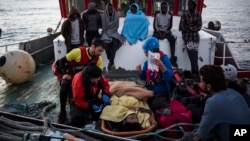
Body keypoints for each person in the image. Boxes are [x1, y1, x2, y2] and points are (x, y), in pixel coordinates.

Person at [52, 38, 106, 124]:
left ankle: (88, 108)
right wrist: (64, 75)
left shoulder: (98, 59)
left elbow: (98, 75)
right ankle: (62, 113)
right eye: (99, 50)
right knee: (64, 86)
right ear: (92, 47)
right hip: (71, 78)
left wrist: (104, 93)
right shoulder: (77, 52)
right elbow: (62, 61)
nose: (100, 54)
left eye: (101, 51)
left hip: (84, 80)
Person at [194, 65, 250, 141]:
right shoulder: (234, 93)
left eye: (201, 81)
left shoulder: (212, 103)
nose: (200, 84)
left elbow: (202, 134)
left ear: (209, 86)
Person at [135, 37, 173, 112]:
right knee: (138, 104)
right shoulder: (147, 62)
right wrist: (140, 72)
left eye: (146, 52)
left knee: (156, 105)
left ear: (151, 51)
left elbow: (169, 77)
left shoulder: (164, 59)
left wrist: (161, 65)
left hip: (160, 93)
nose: (145, 54)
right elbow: (144, 77)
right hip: (149, 91)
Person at [70, 62, 110, 128]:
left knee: (105, 112)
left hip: (92, 98)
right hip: (79, 102)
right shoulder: (78, 82)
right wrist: (89, 106)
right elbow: (78, 100)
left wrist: (105, 93)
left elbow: (105, 84)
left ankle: (90, 115)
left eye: (98, 80)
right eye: (94, 82)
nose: (96, 83)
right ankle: (85, 114)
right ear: (88, 77)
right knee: (77, 121)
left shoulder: (97, 75)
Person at [179, 0, 202, 76]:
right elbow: (182, 27)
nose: (189, 6)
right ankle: (196, 72)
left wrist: (189, 28)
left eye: (191, 5)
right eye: (189, 5)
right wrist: (192, 28)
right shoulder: (184, 15)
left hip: (195, 38)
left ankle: (194, 72)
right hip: (187, 37)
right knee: (192, 53)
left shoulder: (198, 15)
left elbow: (199, 26)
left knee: (195, 54)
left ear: (195, 6)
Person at [101, 3, 125, 71]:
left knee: (115, 42)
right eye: (109, 9)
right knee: (106, 43)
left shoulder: (116, 16)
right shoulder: (103, 16)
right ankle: (111, 61)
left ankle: (111, 61)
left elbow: (116, 27)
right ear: (107, 9)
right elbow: (104, 27)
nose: (110, 10)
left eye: (111, 9)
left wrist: (111, 34)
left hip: (114, 32)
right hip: (106, 32)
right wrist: (108, 35)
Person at [153, 1, 177, 68]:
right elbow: (155, 26)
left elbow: (170, 26)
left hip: (167, 31)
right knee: (154, 40)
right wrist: (159, 33)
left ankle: (172, 57)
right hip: (158, 31)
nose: (164, 9)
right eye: (163, 7)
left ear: (167, 8)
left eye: (165, 7)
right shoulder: (157, 15)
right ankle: (155, 56)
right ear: (160, 8)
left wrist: (165, 33)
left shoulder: (170, 15)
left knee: (172, 39)